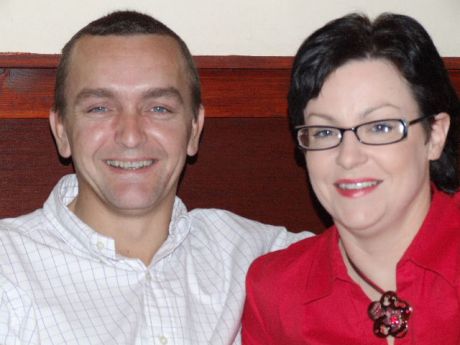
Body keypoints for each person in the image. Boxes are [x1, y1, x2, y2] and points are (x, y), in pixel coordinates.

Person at [0, 10, 312, 345]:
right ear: (61, 130)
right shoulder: (8, 268)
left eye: (159, 108)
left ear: (194, 129)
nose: (131, 135)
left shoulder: (258, 256)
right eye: (100, 108)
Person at [242, 12, 460, 345]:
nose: (348, 156)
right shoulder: (275, 291)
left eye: (380, 127)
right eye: (325, 131)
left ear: (435, 136)